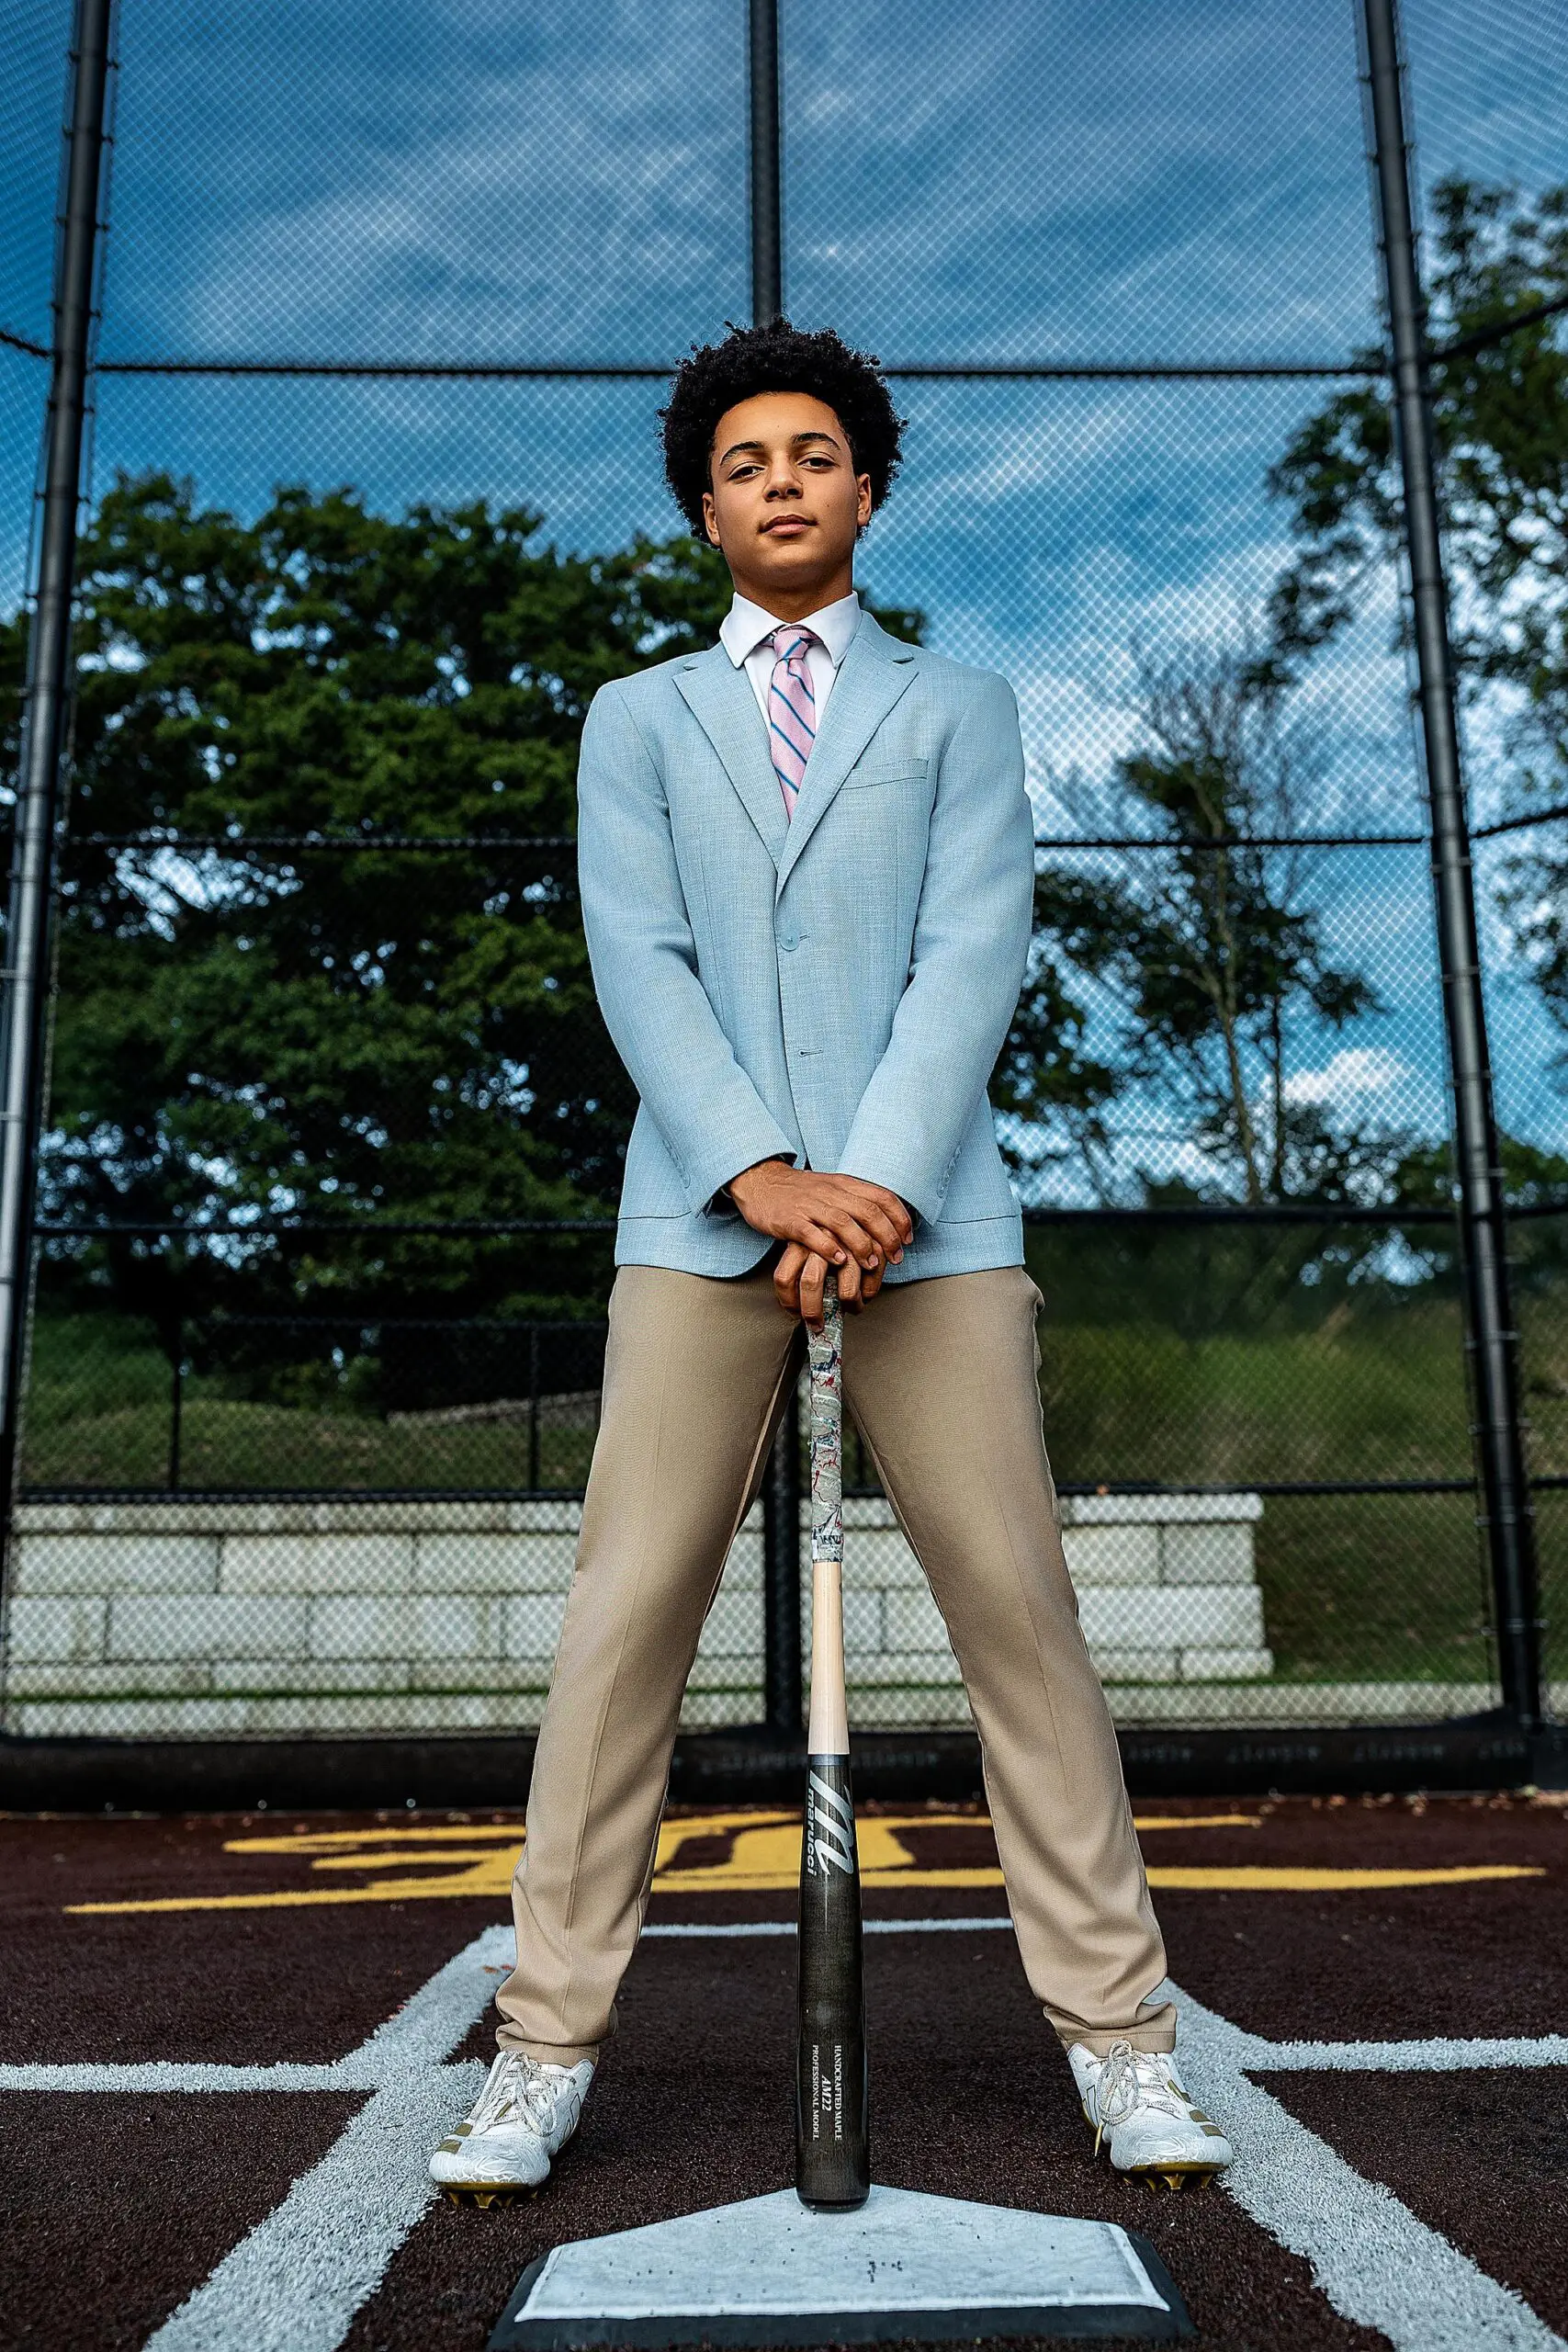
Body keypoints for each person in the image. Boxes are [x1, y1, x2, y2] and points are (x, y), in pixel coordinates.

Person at [429, 321, 1234, 2199]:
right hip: (697, 1217)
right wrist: (761, 1173)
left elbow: (973, 949)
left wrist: (866, 1176)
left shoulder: (958, 705)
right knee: (622, 1624)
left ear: (867, 487)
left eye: (811, 454)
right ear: (702, 508)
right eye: (741, 463)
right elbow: (641, 958)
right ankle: (538, 2046)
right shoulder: (635, 715)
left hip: (930, 1216)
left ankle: (1123, 2044)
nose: (778, 481)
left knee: (1020, 1619)